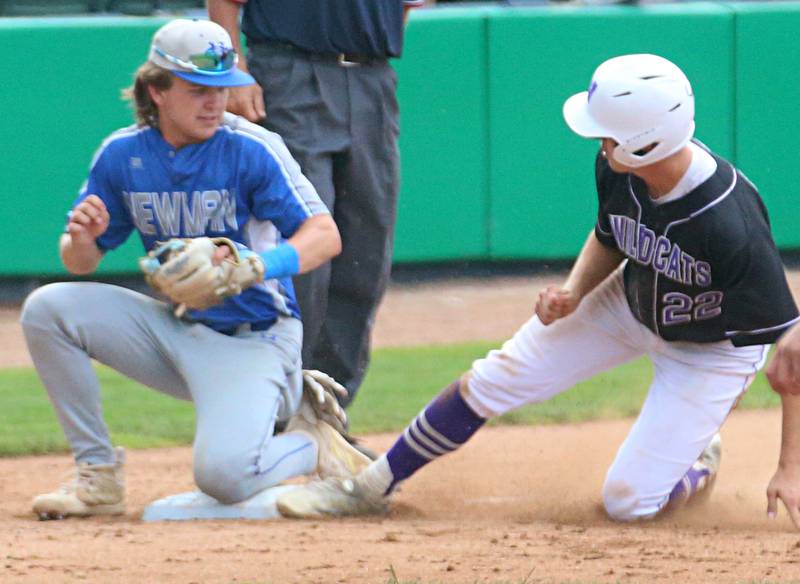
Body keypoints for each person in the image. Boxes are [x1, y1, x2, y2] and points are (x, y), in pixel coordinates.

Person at [274, 53, 800, 524]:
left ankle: (697, 461)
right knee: (491, 379)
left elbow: (792, 356)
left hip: (710, 352)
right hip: (628, 302)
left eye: (609, 135)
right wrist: (575, 290)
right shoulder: (620, 165)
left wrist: (789, 468)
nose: (600, 142)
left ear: (646, 143)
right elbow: (610, 235)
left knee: (627, 504)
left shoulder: (730, 223)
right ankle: (367, 488)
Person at [20, 18, 372, 520]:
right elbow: (79, 262)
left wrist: (256, 265)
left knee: (224, 478)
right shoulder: (124, 153)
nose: (214, 101)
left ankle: (310, 441)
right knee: (47, 309)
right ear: (156, 91)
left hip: (256, 339)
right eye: (197, 89)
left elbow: (325, 235)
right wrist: (82, 237)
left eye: (221, 88)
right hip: (179, 332)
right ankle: (97, 476)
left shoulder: (250, 146)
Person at [207, 0, 423, 407]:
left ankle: (326, 413)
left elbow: (403, 10)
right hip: (291, 70)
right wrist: (234, 72)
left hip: (373, 78)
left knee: (366, 256)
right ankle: (275, 409)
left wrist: (366, 52)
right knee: (303, 250)